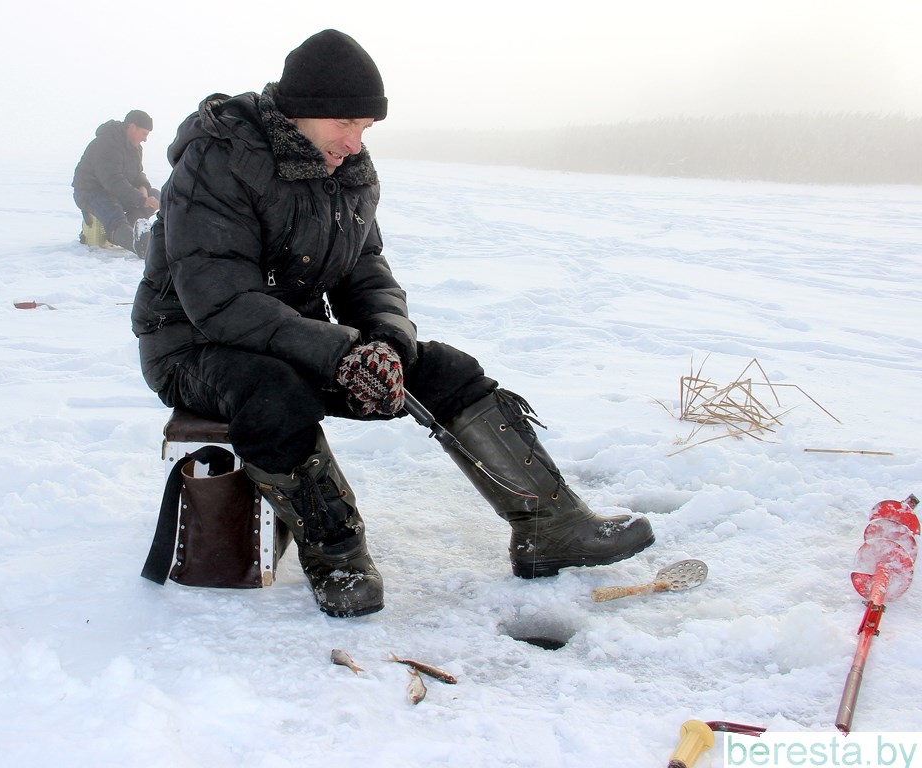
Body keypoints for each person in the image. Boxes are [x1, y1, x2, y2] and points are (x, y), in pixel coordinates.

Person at [131, 29, 654, 618]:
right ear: (304, 111)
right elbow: (221, 301)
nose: (354, 144)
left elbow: (366, 273)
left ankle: (550, 526)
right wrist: (338, 352)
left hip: (298, 339)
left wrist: (384, 341)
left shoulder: (346, 169)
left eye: (366, 129)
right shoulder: (218, 160)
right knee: (275, 394)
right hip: (192, 345)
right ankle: (337, 556)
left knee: (445, 370)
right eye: (345, 125)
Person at [72, 109, 160, 257]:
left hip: (114, 192)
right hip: (90, 191)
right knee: (115, 214)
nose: (145, 139)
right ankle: (140, 245)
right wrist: (141, 200)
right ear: (132, 127)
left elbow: (138, 174)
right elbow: (112, 181)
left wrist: (143, 188)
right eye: (144, 133)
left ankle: (130, 231)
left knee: (156, 196)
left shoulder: (136, 148)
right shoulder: (107, 143)